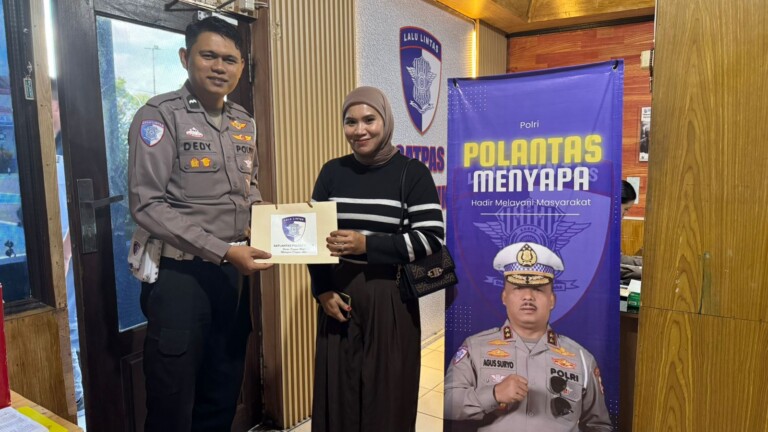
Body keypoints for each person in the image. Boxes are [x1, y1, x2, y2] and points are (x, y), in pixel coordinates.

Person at [127, 16, 272, 432]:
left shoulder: (244, 121)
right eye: (209, 56)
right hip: (180, 278)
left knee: (222, 389)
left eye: (230, 59)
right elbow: (147, 204)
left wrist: (267, 220)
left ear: (241, 66)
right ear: (185, 57)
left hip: (232, 277)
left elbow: (248, 187)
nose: (220, 67)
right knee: (170, 401)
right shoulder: (159, 117)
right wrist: (223, 250)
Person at [307, 86, 444, 432]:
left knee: (387, 394)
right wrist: (321, 290)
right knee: (339, 393)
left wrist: (366, 245)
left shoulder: (412, 173)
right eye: (350, 122)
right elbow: (312, 236)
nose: (360, 130)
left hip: (391, 298)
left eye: (369, 119)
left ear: (386, 121)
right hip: (338, 297)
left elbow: (431, 239)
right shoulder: (332, 172)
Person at [444, 242, 612, 431]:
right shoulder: (475, 347)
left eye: (538, 289)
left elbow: (599, 425)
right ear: (504, 297)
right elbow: (446, 402)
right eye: (518, 287)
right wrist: (493, 394)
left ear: (552, 300)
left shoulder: (582, 359)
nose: (528, 297)